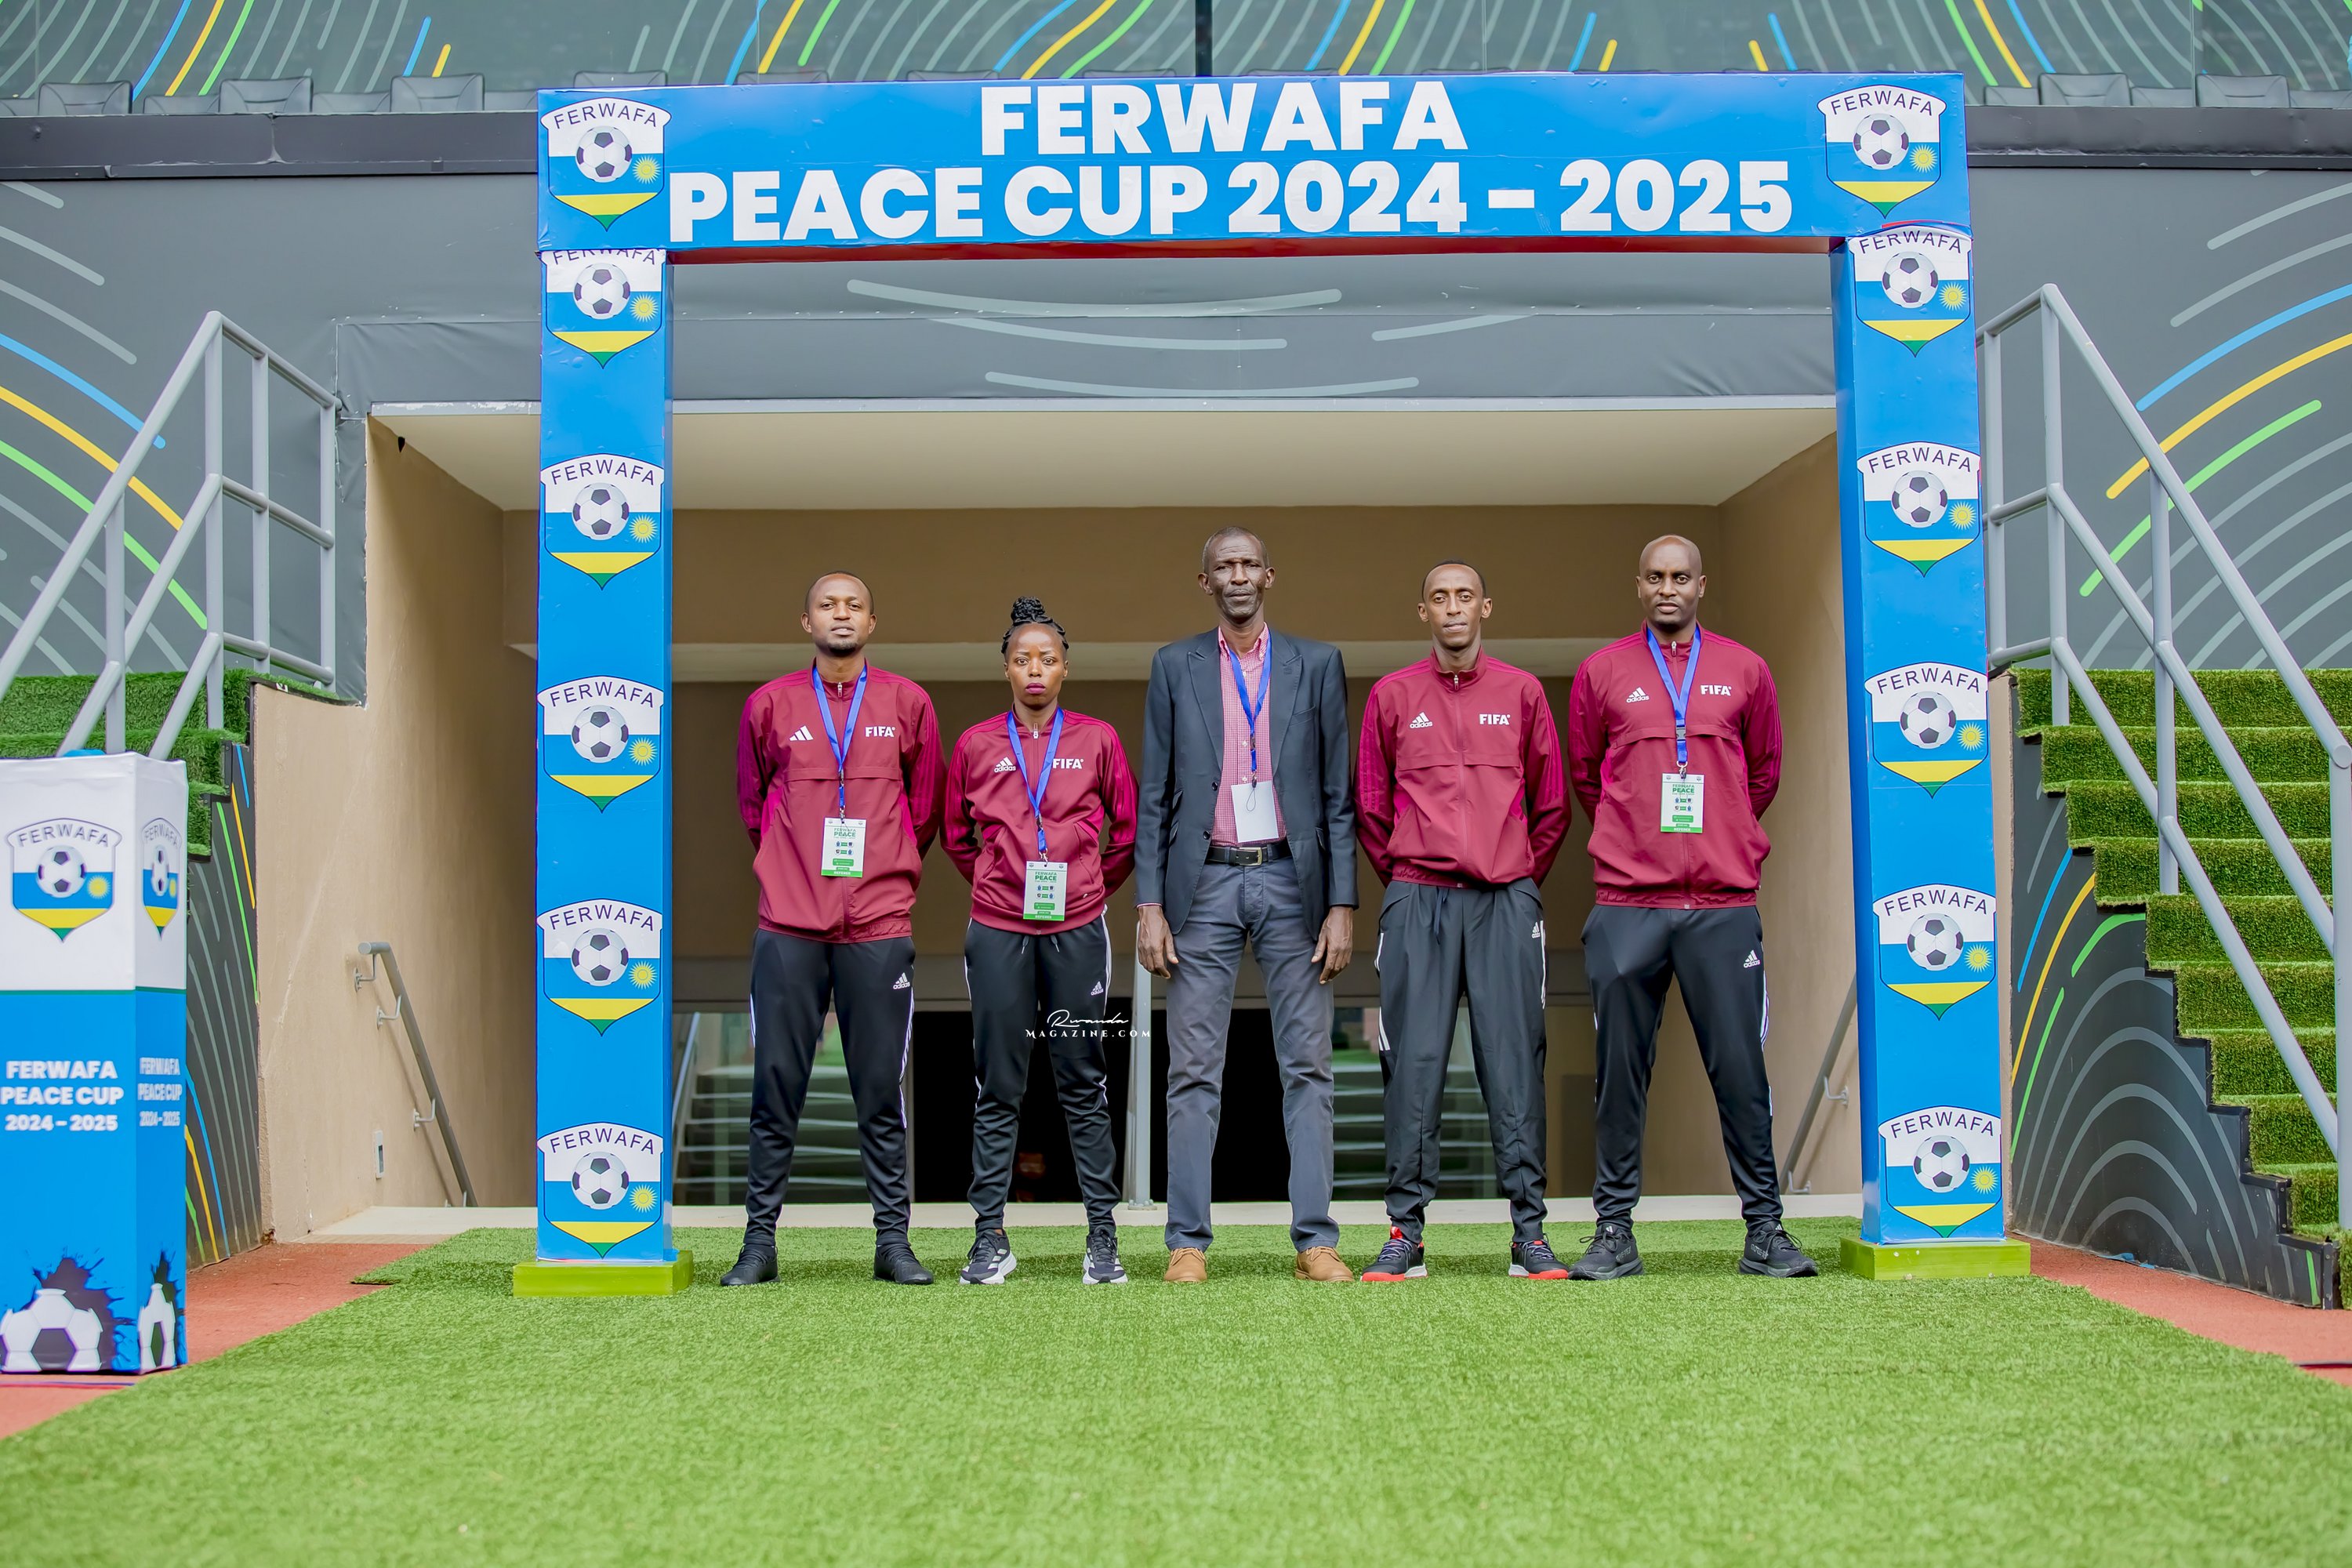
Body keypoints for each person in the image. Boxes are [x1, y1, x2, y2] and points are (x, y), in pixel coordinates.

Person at [1563, 535, 1817, 1279]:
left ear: (1701, 585)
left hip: (1722, 904)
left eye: (1680, 577)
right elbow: (1588, 776)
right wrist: (1637, 836)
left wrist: (1721, 831)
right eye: (1655, 577)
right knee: (1619, 1074)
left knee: (1740, 1070)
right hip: (1627, 904)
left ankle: (1765, 1230)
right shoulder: (1602, 672)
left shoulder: (1747, 670)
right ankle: (1614, 1232)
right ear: (1639, 585)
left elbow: (1762, 772)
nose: (1667, 588)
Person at [1136, 526, 1358, 1285]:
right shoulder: (1174, 665)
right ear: (1206, 582)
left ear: (1269, 575)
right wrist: (1149, 903)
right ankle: (1187, 1242)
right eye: (1223, 566)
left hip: (1295, 882)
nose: (1237, 575)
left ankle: (1316, 1240)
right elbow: (1156, 794)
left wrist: (1342, 903)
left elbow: (1337, 795)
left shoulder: (1317, 663)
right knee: (1193, 1070)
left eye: (1248, 564)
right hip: (1203, 884)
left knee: (1309, 1067)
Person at [721, 572, 944, 1288]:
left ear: (871, 623)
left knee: (880, 1089)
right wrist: (789, 868)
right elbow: (753, 805)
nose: (840, 615)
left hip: (877, 925)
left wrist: (885, 867)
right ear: (806, 621)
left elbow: (925, 809)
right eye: (827, 605)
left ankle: (893, 1243)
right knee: (775, 1086)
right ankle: (759, 1244)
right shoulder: (769, 704)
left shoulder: (908, 703)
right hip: (789, 924)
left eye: (853, 606)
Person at [1356, 561, 1573, 1283]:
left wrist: (1513, 872)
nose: (1453, 608)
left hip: (1505, 899)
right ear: (1423, 611)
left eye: (1465, 597)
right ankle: (1405, 1234)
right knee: (1412, 1067)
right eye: (1440, 598)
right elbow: (1371, 807)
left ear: (1486, 607)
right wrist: (1413, 875)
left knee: (1514, 1064)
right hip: (1418, 897)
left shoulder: (1522, 692)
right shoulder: (1392, 696)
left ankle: (1529, 1234)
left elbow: (1552, 807)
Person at [942, 597, 1139, 1287]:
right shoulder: (975, 744)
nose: (1035, 669)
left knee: (1083, 1080)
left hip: (1078, 926)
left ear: (1064, 669)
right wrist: (998, 883)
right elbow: (956, 836)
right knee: (998, 1083)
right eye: (1023, 659)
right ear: (1006, 668)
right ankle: (989, 1237)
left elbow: (1126, 830)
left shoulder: (1098, 739)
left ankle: (1102, 1236)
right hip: (998, 926)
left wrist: (1087, 886)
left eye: (1047, 659)